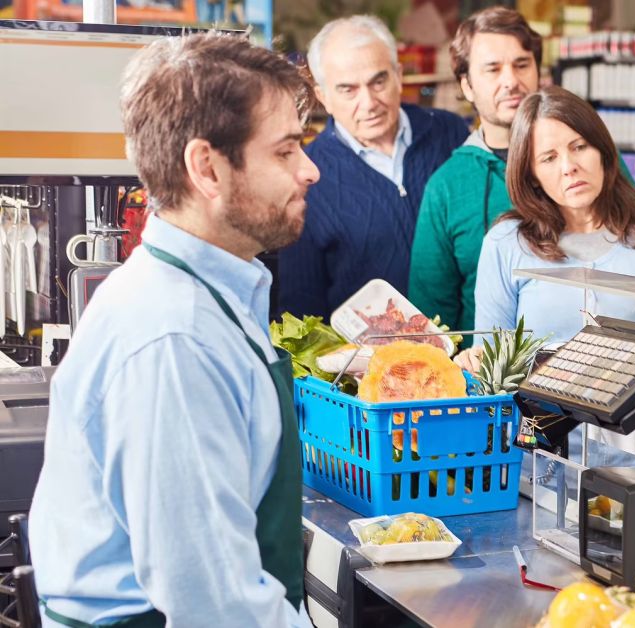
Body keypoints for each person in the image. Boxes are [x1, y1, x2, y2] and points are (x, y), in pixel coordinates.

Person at [30, 33, 318, 626]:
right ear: (207, 167)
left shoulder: (211, 296)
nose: (310, 170)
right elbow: (213, 601)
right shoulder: (174, 340)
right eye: (286, 151)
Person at [472, 86, 635, 462]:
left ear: (603, 151)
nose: (568, 166)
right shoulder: (506, 243)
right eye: (548, 157)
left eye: (579, 147)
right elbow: (493, 373)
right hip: (538, 460)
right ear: (531, 174)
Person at [275, 15, 468, 320]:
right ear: (323, 97)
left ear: (399, 75)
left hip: (470, 349)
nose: (368, 103)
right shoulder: (304, 178)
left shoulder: (452, 134)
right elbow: (302, 314)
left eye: (378, 82)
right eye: (348, 90)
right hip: (367, 363)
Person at [407, 7, 542, 345]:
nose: (511, 80)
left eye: (522, 64)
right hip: (486, 389)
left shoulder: (585, 157)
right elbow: (432, 320)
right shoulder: (447, 186)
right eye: (493, 69)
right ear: (466, 86)